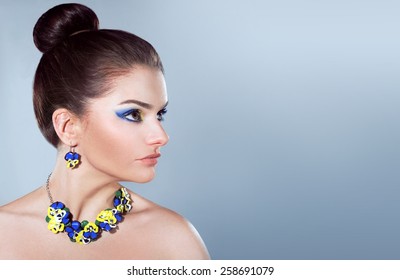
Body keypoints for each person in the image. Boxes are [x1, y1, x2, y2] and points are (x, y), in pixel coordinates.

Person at [0, 3, 210, 260]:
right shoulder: (4, 235)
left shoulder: (175, 240)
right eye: (134, 114)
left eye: (160, 115)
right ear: (68, 126)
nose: (162, 137)